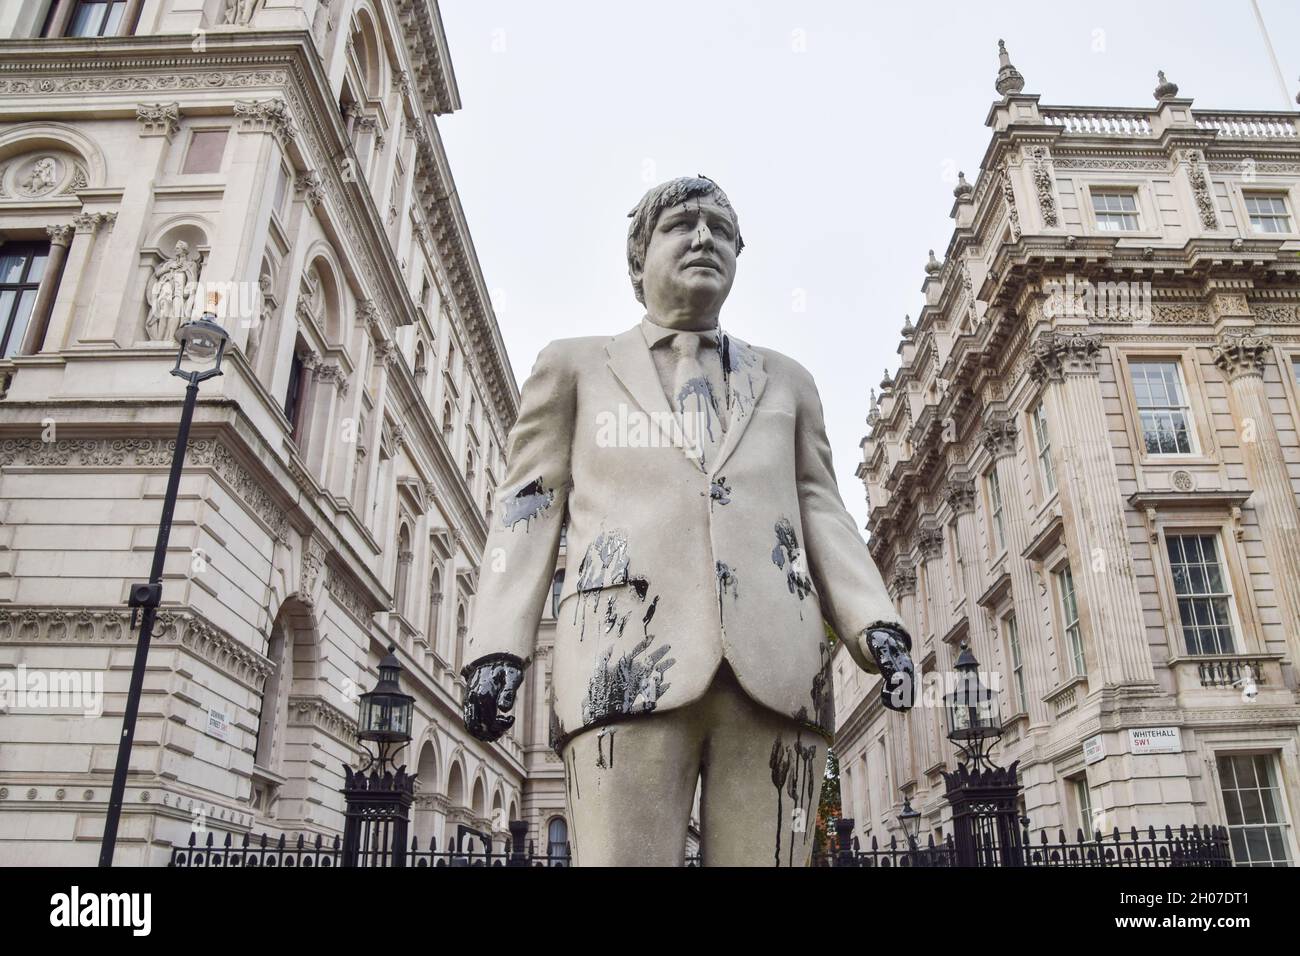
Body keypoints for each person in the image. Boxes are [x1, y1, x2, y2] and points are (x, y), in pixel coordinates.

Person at [462, 176, 914, 866]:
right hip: (621, 664)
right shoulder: (574, 366)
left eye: (721, 228)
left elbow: (822, 507)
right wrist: (498, 645)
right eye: (682, 224)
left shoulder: (788, 381)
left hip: (779, 673)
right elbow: (527, 507)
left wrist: (873, 623)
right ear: (638, 256)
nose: (705, 238)